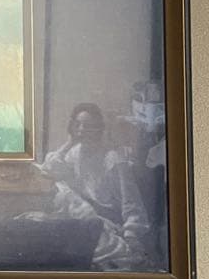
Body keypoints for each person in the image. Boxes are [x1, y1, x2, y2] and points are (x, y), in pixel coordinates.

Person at [35, 103, 151, 270]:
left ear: (99, 129)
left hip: (104, 222)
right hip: (82, 215)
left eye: (88, 126)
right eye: (77, 125)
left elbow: (132, 204)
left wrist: (131, 236)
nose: (81, 130)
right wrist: (69, 143)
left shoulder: (114, 159)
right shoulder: (77, 151)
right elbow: (48, 170)